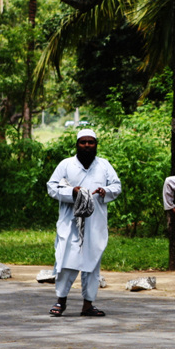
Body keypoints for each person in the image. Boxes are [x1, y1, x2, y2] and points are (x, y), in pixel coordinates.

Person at [46, 129, 122, 317]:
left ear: (96, 144)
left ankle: (88, 305)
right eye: (83, 142)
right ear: (77, 144)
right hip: (70, 222)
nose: (87, 146)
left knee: (92, 262)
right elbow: (51, 187)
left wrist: (105, 191)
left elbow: (116, 186)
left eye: (91, 142)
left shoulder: (104, 165)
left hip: (94, 223)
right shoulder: (66, 164)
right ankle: (60, 301)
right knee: (66, 261)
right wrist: (71, 192)